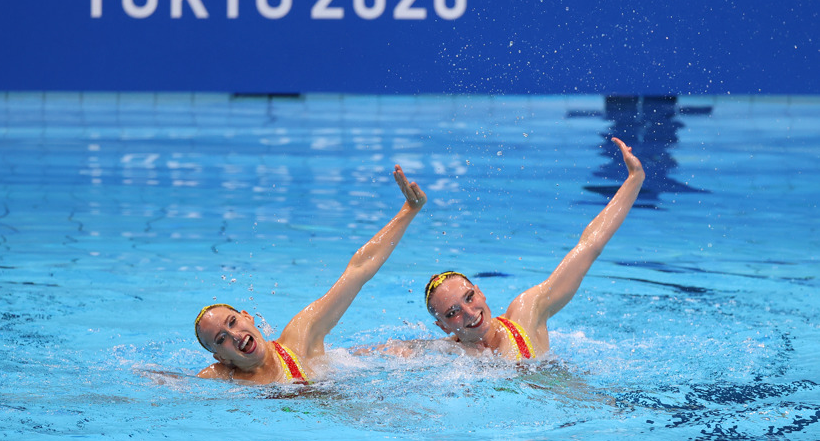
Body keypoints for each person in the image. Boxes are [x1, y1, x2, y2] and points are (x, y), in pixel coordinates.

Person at [194, 165, 426, 384]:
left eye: (232, 322)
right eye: (221, 339)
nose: (234, 335)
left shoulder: (299, 338)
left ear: (247, 317)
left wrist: (409, 210)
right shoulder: (221, 378)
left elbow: (357, 270)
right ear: (222, 358)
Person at [418, 137, 644, 361]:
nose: (469, 313)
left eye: (469, 297)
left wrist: (634, 178)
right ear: (443, 327)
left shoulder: (526, 314)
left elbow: (588, 246)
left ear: (480, 292)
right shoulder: (446, 356)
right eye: (452, 313)